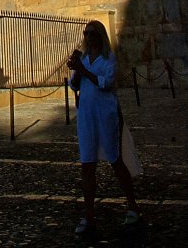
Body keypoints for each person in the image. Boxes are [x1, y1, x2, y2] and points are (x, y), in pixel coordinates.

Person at [68, 20, 141, 238]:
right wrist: (77, 69)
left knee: (115, 160)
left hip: (106, 116)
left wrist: (84, 70)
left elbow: (107, 82)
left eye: (92, 33)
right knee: (87, 165)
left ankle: (132, 206)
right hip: (86, 118)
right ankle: (89, 216)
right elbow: (74, 85)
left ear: (100, 35)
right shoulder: (82, 58)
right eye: (86, 33)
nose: (88, 37)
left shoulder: (109, 58)